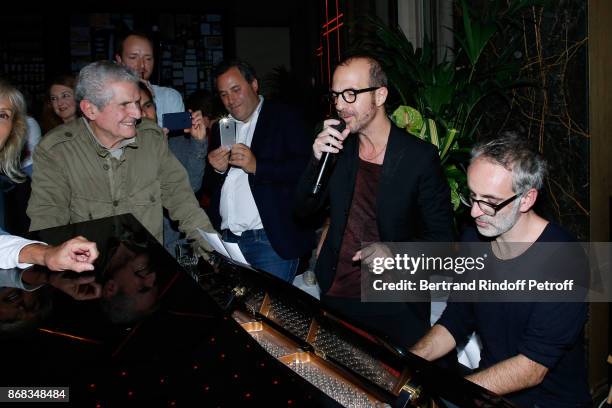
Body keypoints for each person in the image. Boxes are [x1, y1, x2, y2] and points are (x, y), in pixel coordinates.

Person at [409, 134, 591, 407]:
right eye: (473, 197)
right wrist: (407, 366)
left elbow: (532, 367)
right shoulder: (474, 240)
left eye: (490, 202)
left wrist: (453, 393)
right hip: (488, 393)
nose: (474, 213)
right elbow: (456, 320)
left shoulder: (564, 260)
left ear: (527, 199)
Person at [294, 55, 454, 347]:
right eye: (336, 96)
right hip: (337, 294)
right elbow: (303, 211)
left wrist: (394, 252)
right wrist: (316, 161)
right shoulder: (337, 148)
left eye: (350, 95)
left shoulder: (419, 158)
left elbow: (443, 243)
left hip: (394, 301)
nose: (340, 105)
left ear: (380, 95)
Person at [26, 61, 216, 257]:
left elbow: (183, 202)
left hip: (147, 271)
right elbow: (48, 223)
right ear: (90, 109)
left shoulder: (151, 139)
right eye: (125, 105)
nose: (137, 113)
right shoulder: (56, 151)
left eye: (136, 102)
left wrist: (216, 253)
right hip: (90, 276)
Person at [206, 59, 314, 282]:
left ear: (254, 85)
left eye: (236, 90)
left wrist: (258, 166)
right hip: (228, 242)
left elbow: (306, 169)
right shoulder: (221, 128)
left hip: (269, 241)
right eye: (224, 94)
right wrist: (216, 171)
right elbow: (209, 188)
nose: (230, 100)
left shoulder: (284, 116)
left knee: (267, 314)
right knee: (237, 314)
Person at [0, 78, 99, 277]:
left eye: (2, 115)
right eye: (54, 98)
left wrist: (47, 254)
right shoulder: (49, 138)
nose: (60, 103)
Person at [136, 81, 208, 255]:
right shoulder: (121, 150)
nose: (144, 113)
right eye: (137, 107)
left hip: (176, 248)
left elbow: (190, 188)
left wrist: (198, 143)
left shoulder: (175, 144)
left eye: (148, 105)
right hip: (139, 250)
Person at [114, 32, 183, 127]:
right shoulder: (109, 98)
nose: (142, 65)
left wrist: (152, 100)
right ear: (119, 60)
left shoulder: (169, 97)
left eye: (148, 59)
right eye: (133, 57)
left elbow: (176, 138)